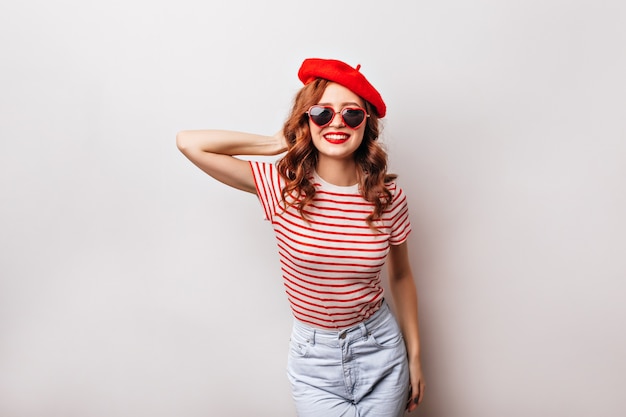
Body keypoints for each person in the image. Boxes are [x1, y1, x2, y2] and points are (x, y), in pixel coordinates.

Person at [176, 58, 425, 416]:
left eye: (351, 114)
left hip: (381, 350)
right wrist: (274, 143)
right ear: (306, 119)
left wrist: (415, 357)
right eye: (322, 112)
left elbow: (401, 276)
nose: (337, 122)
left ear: (366, 124)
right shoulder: (283, 188)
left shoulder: (388, 200)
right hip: (315, 362)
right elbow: (188, 143)